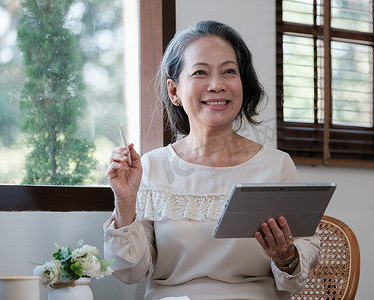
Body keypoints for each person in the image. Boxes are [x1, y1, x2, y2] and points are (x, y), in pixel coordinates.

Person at [103, 20, 320, 300]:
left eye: (229, 71)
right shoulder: (152, 166)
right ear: (174, 91)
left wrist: (286, 255)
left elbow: (299, 269)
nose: (217, 85)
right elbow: (130, 272)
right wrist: (125, 202)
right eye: (201, 72)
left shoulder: (275, 166)